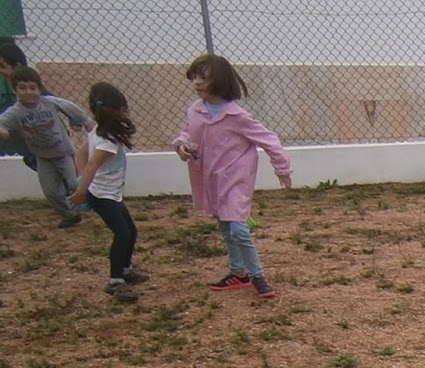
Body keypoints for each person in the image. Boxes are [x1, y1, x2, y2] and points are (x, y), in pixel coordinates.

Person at [173, 53, 292, 299]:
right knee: (225, 226)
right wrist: (181, 145)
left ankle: (257, 276)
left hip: (236, 180)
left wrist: (282, 169)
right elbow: (187, 132)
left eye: (203, 77)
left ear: (220, 80)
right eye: (194, 77)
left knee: (238, 229)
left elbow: (269, 140)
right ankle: (238, 272)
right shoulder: (196, 109)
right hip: (210, 180)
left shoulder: (237, 116)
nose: (196, 82)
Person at [69, 83, 147, 302]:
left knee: (130, 231)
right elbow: (92, 165)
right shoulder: (108, 141)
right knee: (122, 234)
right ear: (119, 110)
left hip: (108, 194)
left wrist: (82, 181)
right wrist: (81, 190)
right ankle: (115, 281)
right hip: (103, 196)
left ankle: (125, 270)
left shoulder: (98, 132)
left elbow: (80, 154)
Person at [0, 66, 91, 226]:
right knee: (51, 192)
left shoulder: (48, 103)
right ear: (15, 90)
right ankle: (70, 215)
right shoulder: (15, 112)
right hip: (43, 157)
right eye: (22, 88)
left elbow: (70, 107)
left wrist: (85, 122)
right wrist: (3, 132)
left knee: (74, 184)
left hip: (63, 153)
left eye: (32, 88)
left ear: (39, 89)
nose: (28, 92)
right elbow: (3, 125)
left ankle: (99, 203)